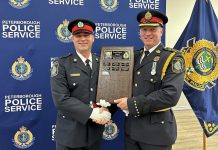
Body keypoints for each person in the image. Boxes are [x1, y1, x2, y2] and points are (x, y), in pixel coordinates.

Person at [114, 10, 185, 150]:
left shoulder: (172, 57)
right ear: (140, 32)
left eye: (152, 29)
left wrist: (131, 104)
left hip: (156, 133)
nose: (147, 33)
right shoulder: (133, 56)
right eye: (144, 29)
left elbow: (170, 95)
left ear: (161, 32)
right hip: (132, 131)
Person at [51, 18, 111, 150]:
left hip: (94, 134)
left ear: (93, 38)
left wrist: (107, 111)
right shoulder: (61, 64)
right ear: (72, 39)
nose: (82, 39)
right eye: (78, 36)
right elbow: (61, 100)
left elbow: (109, 91)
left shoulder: (102, 62)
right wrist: (92, 113)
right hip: (69, 135)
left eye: (86, 35)